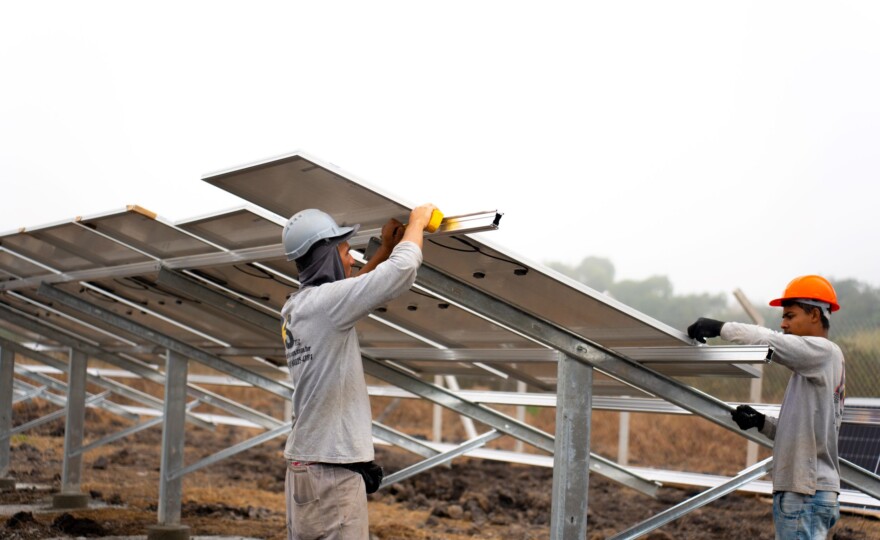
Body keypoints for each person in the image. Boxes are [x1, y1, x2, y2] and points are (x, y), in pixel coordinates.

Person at [280, 204, 438, 540]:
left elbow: (349, 291)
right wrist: (418, 223)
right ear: (327, 258)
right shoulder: (326, 305)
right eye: (344, 252)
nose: (351, 260)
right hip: (331, 475)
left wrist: (383, 250)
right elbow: (403, 269)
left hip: (306, 469)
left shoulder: (297, 306)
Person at [687, 275, 845, 540]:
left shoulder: (822, 352)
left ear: (815, 315)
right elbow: (805, 430)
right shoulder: (816, 366)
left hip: (803, 494)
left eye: (790, 316)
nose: (783, 324)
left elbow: (770, 341)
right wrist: (762, 422)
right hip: (811, 492)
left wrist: (720, 327)